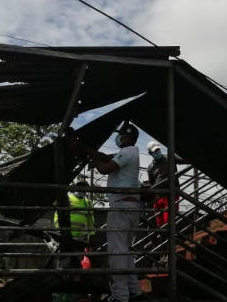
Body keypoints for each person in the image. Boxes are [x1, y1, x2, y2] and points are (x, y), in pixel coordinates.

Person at [67, 123, 146, 302]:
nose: (118, 139)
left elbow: (104, 168)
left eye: (121, 136)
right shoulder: (130, 153)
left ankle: (120, 296)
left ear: (127, 137)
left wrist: (91, 159)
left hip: (121, 206)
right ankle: (135, 293)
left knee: (117, 252)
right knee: (125, 253)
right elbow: (104, 157)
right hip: (129, 207)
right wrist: (87, 149)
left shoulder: (128, 151)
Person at [146, 141, 179, 227]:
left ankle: (169, 239)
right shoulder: (150, 167)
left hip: (171, 195)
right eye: (155, 151)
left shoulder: (170, 157)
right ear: (150, 153)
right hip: (158, 197)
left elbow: (183, 160)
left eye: (158, 150)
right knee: (159, 223)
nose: (157, 152)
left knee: (168, 221)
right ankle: (163, 239)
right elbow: (152, 182)